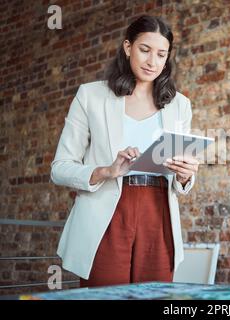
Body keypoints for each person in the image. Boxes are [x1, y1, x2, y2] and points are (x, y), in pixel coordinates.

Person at [50, 15, 199, 288]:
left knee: (155, 294)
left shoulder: (180, 105)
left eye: (161, 54)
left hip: (158, 212)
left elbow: (181, 172)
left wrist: (186, 175)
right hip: (106, 212)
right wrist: (106, 170)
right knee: (104, 294)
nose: (152, 61)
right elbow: (60, 167)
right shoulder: (90, 96)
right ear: (128, 47)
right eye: (144, 50)